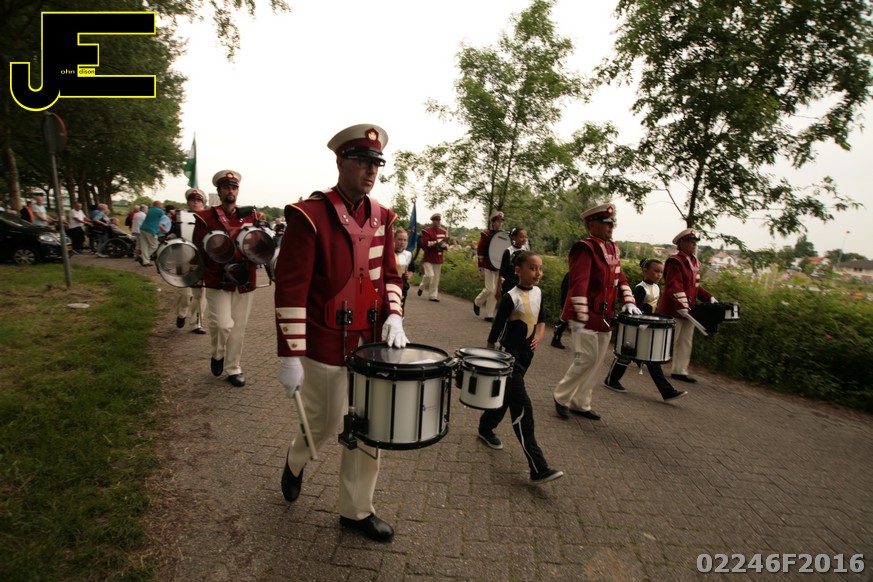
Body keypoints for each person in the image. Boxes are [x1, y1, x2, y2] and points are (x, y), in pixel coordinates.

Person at [275, 123, 408, 543]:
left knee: (369, 426)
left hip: (370, 344)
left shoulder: (384, 217)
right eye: (363, 161)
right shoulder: (309, 215)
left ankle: (356, 509)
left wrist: (395, 315)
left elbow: (391, 276)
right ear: (340, 162)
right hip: (324, 341)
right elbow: (291, 287)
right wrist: (290, 355)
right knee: (323, 422)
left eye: (376, 164)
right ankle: (295, 460)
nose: (371, 171)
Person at [477, 251, 564, 484]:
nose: (538, 273)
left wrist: (539, 335)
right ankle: (538, 467)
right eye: (532, 268)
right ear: (518, 270)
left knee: (506, 397)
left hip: (527, 358)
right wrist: (490, 361)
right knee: (522, 406)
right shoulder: (510, 298)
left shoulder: (538, 293)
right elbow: (495, 332)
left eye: (540, 268)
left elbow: (542, 319)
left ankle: (485, 427)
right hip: (508, 359)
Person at [553, 203, 641, 421]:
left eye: (611, 223)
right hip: (586, 315)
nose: (610, 227)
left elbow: (620, 278)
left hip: (605, 316)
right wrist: (578, 315)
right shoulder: (585, 248)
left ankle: (581, 402)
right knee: (584, 359)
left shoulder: (613, 249)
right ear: (591, 225)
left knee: (596, 362)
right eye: (605, 223)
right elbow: (579, 283)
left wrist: (629, 300)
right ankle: (562, 397)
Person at [193, 171, 258, 388]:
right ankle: (217, 353)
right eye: (226, 187)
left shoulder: (251, 216)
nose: (231, 191)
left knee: (238, 327)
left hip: (244, 279)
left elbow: (258, 245)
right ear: (219, 192)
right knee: (222, 325)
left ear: (238, 191)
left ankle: (234, 367)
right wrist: (195, 277)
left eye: (234, 187)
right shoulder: (205, 217)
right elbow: (198, 250)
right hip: (217, 278)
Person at [604, 258, 688, 401]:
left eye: (661, 272)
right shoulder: (640, 289)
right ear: (645, 271)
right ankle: (611, 380)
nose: (659, 275)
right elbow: (637, 311)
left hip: (648, 328)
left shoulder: (656, 288)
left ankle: (667, 392)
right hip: (637, 327)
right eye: (656, 271)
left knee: (650, 359)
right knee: (626, 355)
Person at [659, 228, 717, 383]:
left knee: (685, 341)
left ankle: (680, 370)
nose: (694, 245)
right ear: (681, 243)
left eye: (695, 242)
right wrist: (682, 304)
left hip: (688, 309)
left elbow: (694, 287)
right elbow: (674, 285)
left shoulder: (694, 262)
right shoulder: (675, 261)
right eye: (690, 242)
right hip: (674, 308)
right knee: (669, 339)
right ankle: (654, 363)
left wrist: (709, 297)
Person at [174, 189, 208, 335]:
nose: (195, 203)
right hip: (184, 259)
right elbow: (174, 234)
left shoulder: (207, 218)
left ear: (202, 203)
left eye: (198, 200)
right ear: (188, 202)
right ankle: (181, 313)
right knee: (186, 294)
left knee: (200, 294)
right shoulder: (180, 217)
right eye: (193, 200)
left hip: (201, 260)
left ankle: (197, 323)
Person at [473, 211, 505, 321]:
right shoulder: (486, 234)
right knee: (490, 289)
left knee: (495, 291)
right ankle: (477, 302)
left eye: (501, 221)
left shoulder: (503, 235)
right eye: (497, 221)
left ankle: (489, 314)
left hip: (498, 265)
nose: (499, 223)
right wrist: (480, 265)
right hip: (487, 264)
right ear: (493, 222)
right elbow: (481, 249)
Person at [417, 213, 448, 301]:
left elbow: (446, 243)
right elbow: (425, 243)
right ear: (432, 221)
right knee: (429, 275)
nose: (438, 222)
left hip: (438, 257)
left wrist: (445, 246)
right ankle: (421, 287)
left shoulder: (443, 232)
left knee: (436, 278)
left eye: (439, 220)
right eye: (436, 220)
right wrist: (437, 243)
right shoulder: (426, 231)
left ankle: (433, 295)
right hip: (428, 257)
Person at [498, 227, 528, 295]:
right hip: (509, 284)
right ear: (514, 237)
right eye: (521, 237)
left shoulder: (525, 250)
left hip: (520, 283)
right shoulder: (509, 251)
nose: (524, 239)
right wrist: (498, 289)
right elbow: (502, 272)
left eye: (525, 237)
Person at [394, 227, 415, 312]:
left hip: (402, 286)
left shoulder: (408, 254)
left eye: (404, 240)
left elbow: (412, 268)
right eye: (399, 239)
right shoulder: (388, 252)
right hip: (389, 285)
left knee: (400, 309)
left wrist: (409, 274)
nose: (402, 242)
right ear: (394, 239)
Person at [137, 200, 164, 266]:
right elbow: (165, 217)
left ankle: (145, 262)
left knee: (144, 246)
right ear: (157, 205)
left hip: (143, 228)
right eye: (161, 204)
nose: (162, 205)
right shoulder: (159, 211)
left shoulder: (150, 210)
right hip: (151, 230)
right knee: (154, 245)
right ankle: (142, 257)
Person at [550, 273, 570, 349]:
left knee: (565, 320)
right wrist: (564, 303)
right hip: (567, 299)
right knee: (563, 320)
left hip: (569, 299)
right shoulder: (571, 274)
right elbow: (564, 288)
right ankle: (555, 339)